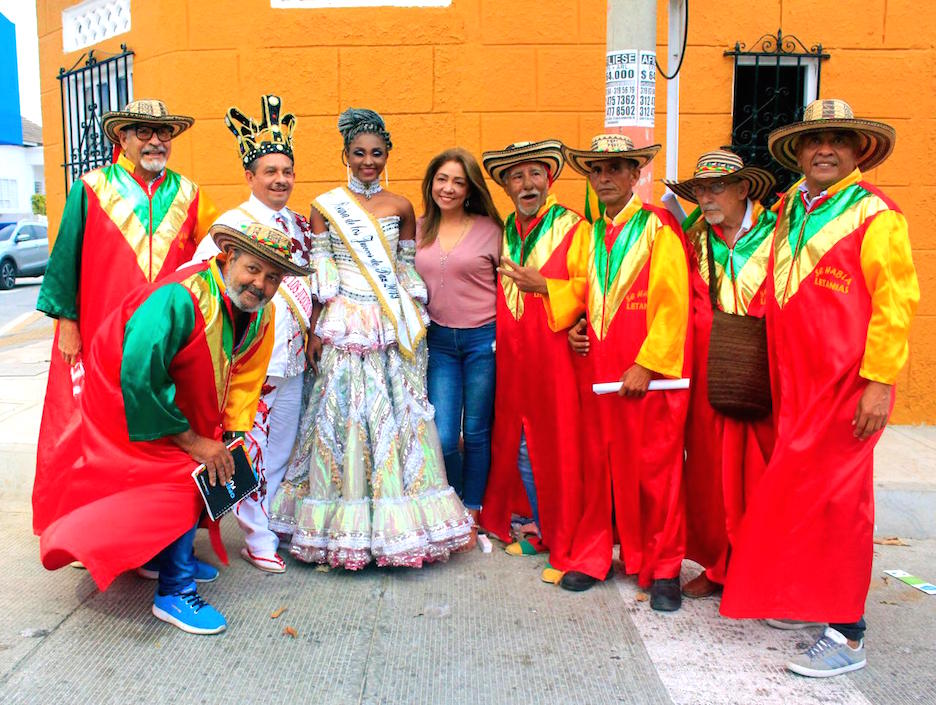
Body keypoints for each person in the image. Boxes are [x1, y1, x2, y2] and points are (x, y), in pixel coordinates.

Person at [720, 99, 919, 676]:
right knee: (802, 497)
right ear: (798, 152)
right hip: (793, 385)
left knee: (841, 505)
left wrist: (879, 382)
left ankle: (848, 632)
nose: (824, 149)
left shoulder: (876, 214)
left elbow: (895, 303)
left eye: (837, 139)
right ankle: (812, 599)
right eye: (813, 140)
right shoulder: (790, 209)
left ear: (859, 151)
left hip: (845, 388)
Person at [38, 222, 309, 634]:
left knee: (215, 465)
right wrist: (195, 442)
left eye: (273, 277)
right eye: (254, 269)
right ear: (229, 257)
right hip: (123, 402)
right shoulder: (180, 298)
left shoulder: (262, 313)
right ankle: (174, 591)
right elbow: (139, 374)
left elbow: (244, 378)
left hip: (172, 402)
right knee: (182, 478)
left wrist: (231, 439)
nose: (261, 284)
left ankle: (162, 556)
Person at [269, 108, 474, 569]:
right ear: (345, 155)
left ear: (387, 157)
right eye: (359, 153)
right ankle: (338, 526)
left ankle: (395, 525)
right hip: (343, 323)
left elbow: (402, 269)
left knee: (393, 420)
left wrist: (409, 315)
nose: (368, 161)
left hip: (386, 323)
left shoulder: (401, 207)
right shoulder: (325, 206)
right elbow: (322, 268)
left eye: (376, 154)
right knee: (339, 419)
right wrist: (318, 326)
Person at [33, 99, 218, 537]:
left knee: (156, 429)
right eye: (142, 131)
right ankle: (84, 527)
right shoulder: (92, 187)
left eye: (163, 133)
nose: (155, 141)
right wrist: (67, 323)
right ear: (123, 138)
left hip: (163, 339)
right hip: (100, 332)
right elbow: (65, 261)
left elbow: (211, 264)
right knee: (91, 429)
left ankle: (153, 531)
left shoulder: (192, 194)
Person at [551, 135, 690, 611]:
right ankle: (593, 557)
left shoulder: (660, 228)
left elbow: (675, 304)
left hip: (648, 375)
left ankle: (665, 567)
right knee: (599, 468)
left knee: (657, 470)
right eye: (597, 170)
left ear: (636, 175)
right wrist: (574, 327)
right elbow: (577, 291)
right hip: (600, 372)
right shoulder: (587, 235)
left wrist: (647, 364)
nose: (605, 178)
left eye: (616, 169)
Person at [182, 95, 316, 574]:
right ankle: (257, 536)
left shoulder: (302, 227)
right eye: (270, 171)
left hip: (294, 360)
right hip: (247, 363)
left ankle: (269, 522)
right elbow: (199, 285)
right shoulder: (229, 227)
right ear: (250, 176)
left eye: (287, 171)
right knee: (246, 449)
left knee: (279, 452)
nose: (280, 179)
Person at [661, 150, 777, 600]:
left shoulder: (779, 233)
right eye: (701, 190)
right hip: (709, 371)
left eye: (716, 188)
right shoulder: (695, 239)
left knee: (760, 475)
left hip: (761, 369)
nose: (707, 198)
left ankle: (759, 569)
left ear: (744, 189)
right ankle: (718, 564)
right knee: (709, 475)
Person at [478, 140, 587, 583]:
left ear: (550, 179)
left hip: (557, 356)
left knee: (556, 448)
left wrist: (546, 286)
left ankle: (568, 539)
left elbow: (592, 288)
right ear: (506, 187)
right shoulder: (506, 229)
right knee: (521, 443)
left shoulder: (574, 227)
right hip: (515, 355)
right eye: (516, 177)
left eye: (535, 174)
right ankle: (541, 528)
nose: (527, 184)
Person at [414, 148, 503, 542]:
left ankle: (473, 508)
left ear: (470, 189)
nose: (448, 188)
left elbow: (511, 287)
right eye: (442, 179)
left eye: (458, 181)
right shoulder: (417, 229)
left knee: (479, 429)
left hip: (484, 337)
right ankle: (449, 500)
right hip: (439, 341)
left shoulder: (491, 229)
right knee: (446, 434)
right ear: (431, 183)